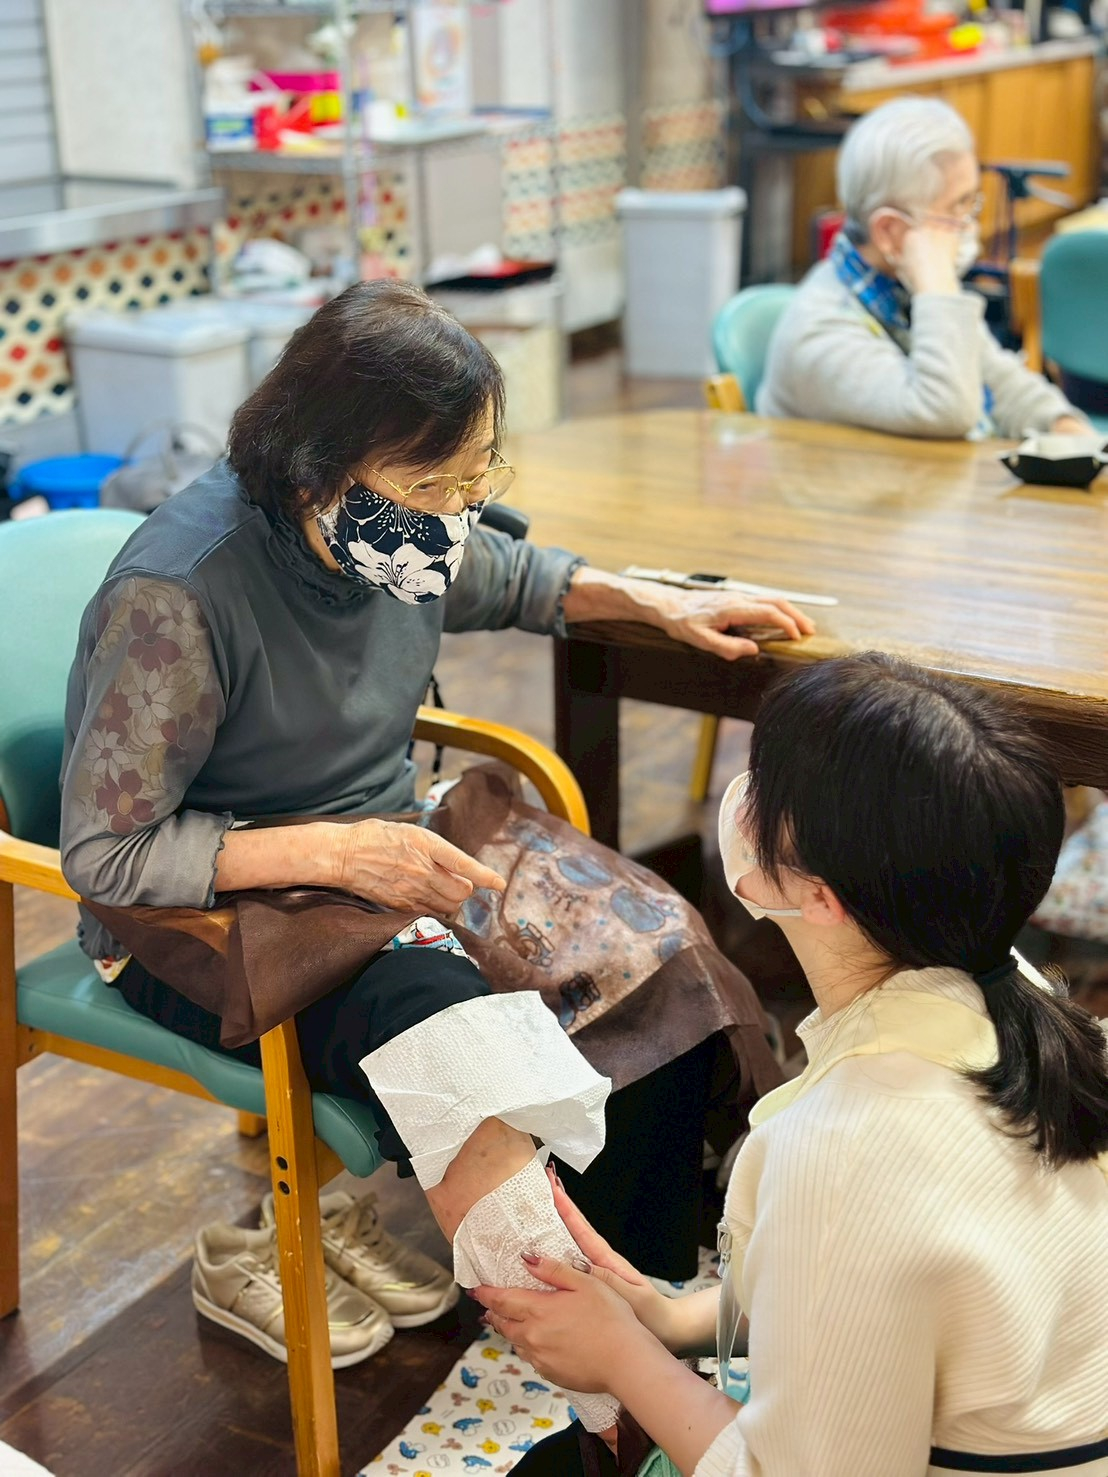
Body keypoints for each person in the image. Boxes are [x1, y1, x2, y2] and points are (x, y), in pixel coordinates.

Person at [59, 281, 813, 1409]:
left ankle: (650, 1295)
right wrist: (339, 855)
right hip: (207, 911)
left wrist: (652, 600)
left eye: (476, 477)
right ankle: (605, 1381)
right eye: (432, 486)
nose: (457, 512)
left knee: (655, 950)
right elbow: (107, 855)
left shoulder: (394, 536)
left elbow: (502, 574)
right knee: (463, 1047)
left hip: (388, 848)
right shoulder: (177, 593)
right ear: (313, 470)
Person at [476, 652, 1108, 1476]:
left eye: (766, 786)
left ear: (821, 897)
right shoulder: (1025, 1000)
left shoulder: (843, 1148)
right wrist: (672, 1320)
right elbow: (880, 1296)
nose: (742, 797)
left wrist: (623, 1358)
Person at [757, 98, 1090, 441]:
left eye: (972, 203)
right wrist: (937, 285)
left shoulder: (902, 287)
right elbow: (947, 412)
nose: (969, 223)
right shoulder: (820, 332)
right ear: (889, 231)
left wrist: (1065, 427)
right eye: (957, 207)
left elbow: (1000, 380)